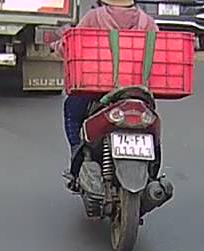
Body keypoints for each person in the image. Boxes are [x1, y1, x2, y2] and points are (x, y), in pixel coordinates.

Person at [59, 0, 156, 190]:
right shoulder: (148, 22)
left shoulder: (94, 17)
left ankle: (78, 159)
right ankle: (152, 172)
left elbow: (71, 45)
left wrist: (58, 46)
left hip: (98, 88)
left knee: (71, 110)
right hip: (137, 91)